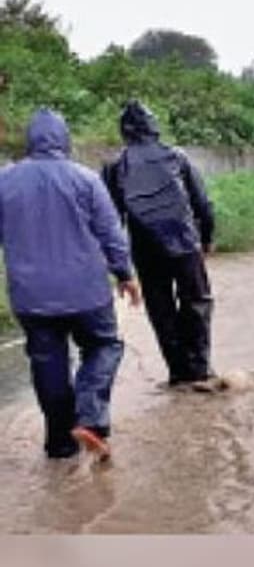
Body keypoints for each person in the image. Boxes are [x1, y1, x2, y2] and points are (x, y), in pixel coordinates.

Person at [0, 109, 142, 461]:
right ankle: (90, 417)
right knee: (104, 346)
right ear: (65, 140)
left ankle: (60, 446)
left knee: (48, 364)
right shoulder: (86, 179)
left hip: (31, 296)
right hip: (86, 292)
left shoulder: (4, 181)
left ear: (30, 141)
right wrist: (125, 274)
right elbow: (110, 233)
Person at [103, 100, 219, 392]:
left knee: (161, 309)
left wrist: (120, 268)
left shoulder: (115, 166)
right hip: (185, 242)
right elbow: (202, 203)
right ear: (153, 127)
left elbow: (111, 220)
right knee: (197, 301)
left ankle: (178, 373)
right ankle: (200, 370)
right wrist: (206, 238)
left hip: (146, 248)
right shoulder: (177, 157)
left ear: (124, 131)